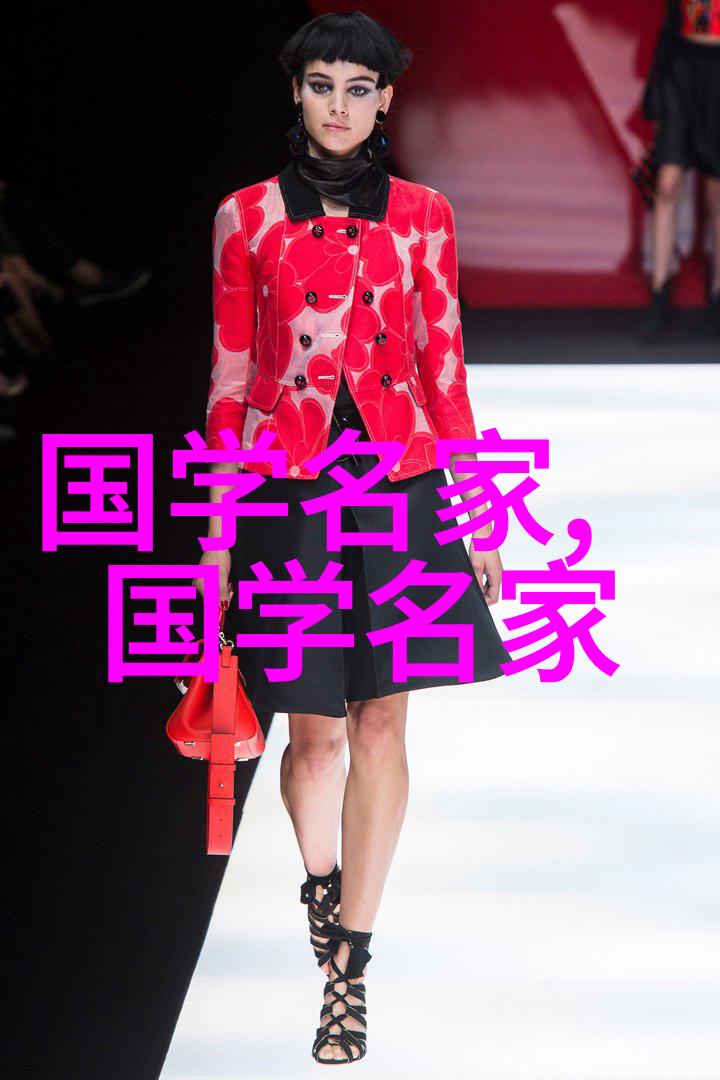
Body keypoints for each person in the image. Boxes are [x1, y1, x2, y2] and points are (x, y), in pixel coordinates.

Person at [195, 11, 511, 1065]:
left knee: (382, 725)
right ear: (296, 93)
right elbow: (229, 379)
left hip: (401, 489)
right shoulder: (246, 216)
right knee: (314, 735)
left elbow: (444, 364)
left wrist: (477, 512)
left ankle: (351, 965)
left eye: (359, 88)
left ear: (387, 100)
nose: (340, 105)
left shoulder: (423, 215)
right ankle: (321, 886)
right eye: (322, 84)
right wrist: (216, 533)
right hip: (286, 496)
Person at [640, 0, 720, 335]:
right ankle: (659, 293)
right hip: (681, 66)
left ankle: (718, 295)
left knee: (716, 194)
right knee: (668, 183)